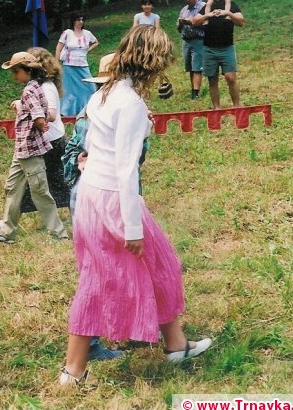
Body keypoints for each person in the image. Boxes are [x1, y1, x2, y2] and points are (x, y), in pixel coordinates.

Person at [59, 26, 212, 386]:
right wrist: (132, 229)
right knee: (109, 277)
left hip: (92, 194)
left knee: (149, 266)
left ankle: (174, 345)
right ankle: (74, 370)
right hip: (113, 197)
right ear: (152, 62)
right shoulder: (130, 103)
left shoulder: (105, 93)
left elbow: (98, 147)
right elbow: (126, 169)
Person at [0, 52, 68, 244]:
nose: (14, 75)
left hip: (30, 148)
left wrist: (40, 123)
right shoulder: (36, 87)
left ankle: (59, 233)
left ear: (28, 71)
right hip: (21, 149)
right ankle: (7, 230)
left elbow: (39, 113)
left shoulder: (29, 91)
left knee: (40, 191)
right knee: (12, 187)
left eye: (16, 71)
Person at [192, 0, 244, 109]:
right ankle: (217, 109)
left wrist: (228, 13)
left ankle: (237, 107)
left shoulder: (231, 5)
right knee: (212, 80)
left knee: (231, 78)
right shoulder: (207, 6)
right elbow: (194, 21)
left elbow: (241, 21)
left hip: (227, 48)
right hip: (209, 49)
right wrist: (208, 15)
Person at [55, 13, 99, 116]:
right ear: (73, 21)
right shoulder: (67, 33)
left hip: (83, 64)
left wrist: (88, 50)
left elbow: (96, 42)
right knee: (69, 89)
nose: (81, 22)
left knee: (91, 87)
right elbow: (58, 48)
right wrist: (56, 63)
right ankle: (67, 111)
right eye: (78, 20)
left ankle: (88, 108)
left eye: (82, 20)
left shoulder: (87, 33)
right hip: (69, 65)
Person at [177, 0, 206, 99]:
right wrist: (180, 24)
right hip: (186, 41)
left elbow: (207, 23)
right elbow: (178, 28)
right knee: (190, 68)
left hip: (198, 40)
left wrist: (189, 22)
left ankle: (195, 93)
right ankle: (193, 89)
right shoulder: (184, 9)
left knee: (197, 67)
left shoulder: (203, 6)